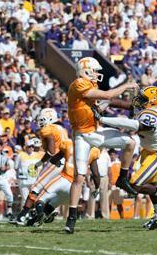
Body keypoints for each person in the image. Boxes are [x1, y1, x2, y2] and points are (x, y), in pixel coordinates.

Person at [65, 56, 137, 234]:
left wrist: (129, 106)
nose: (97, 74)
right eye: (95, 71)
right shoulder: (78, 84)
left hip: (96, 132)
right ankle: (71, 217)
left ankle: (122, 177)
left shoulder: (90, 86)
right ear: (85, 70)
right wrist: (126, 86)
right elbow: (107, 95)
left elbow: (100, 105)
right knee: (79, 177)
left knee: (130, 143)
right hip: (82, 136)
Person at [94, 86, 157, 230]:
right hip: (147, 151)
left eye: (143, 99)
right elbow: (125, 104)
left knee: (135, 184)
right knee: (150, 184)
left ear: (152, 103)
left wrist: (103, 119)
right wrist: (108, 102)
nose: (138, 100)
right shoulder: (143, 107)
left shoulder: (153, 115)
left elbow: (134, 125)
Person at [15, 108, 67, 225]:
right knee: (50, 189)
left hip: (55, 161)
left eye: (42, 119)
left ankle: (22, 216)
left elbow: (51, 152)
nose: (39, 122)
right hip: (65, 162)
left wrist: (39, 163)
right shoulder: (62, 129)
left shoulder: (47, 129)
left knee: (36, 187)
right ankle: (46, 210)